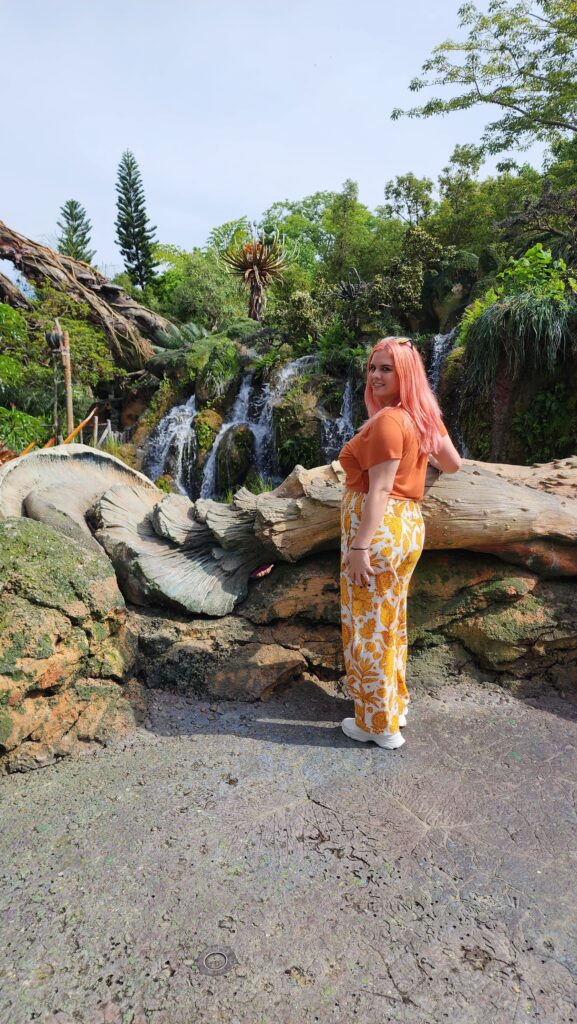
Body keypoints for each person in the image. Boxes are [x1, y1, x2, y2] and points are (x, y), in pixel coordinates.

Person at [337, 337, 462, 750]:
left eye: (386, 369)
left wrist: (359, 548)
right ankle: (395, 705)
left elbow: (380, 490)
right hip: (407, 525)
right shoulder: (422, 415)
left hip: (378, 531)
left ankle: (378, 724)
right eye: (372, 368)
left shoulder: (390, 422)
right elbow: (452, 463)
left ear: (404, 373)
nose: (375, 376)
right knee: (390, 623)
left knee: (368, 628)